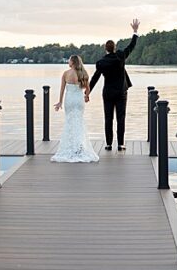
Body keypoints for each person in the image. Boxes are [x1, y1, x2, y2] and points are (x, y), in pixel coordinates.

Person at [88, 19, 140, 151]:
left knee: (108, 118)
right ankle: (121, 144)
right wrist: (135, 31)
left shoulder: (101, 62)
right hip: (121, 92)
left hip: (108, 93)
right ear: (115, 48)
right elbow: (131, 46)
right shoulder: (120, 56)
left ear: (105, 49)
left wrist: (87, 91)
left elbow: (95, 78)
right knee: (121, 118)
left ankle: (109, 144)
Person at [51, 55, 99, 163]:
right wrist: (87, 96)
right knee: (79, 123)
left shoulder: (66, 74)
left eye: (69, 60)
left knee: (70, 123)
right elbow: (87, 88)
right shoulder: (83, 73)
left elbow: (62, 89)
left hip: (69, 100)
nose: (68, 61)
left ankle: (72, 147)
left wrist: (60, 102)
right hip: (79, 100)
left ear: (72, 62)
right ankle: (78, 148)